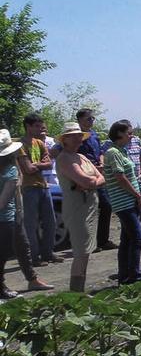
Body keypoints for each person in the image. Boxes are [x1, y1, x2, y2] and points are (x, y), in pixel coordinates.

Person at [0, 129, 54, 298]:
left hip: (14, 213)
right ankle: (2, 287)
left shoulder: (12, 168)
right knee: (4, 253)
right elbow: (4, 200)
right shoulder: (10, 170)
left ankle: (32, 279)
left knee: (23, 246)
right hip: (8, 216)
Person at [55, 122, 106, 293]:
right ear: (65, 139)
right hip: (77, 208)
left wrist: (90, 183)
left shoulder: (81, 157)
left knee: (87, 251)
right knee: (80, 251)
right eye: (74, 135)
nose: (78, 138)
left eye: (79, 135)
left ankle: (80, 291)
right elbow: (87, 180)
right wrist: (89, 182)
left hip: (90, 205)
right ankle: (75, 293)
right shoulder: (64, 158)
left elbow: (100, 178)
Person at [103, 120, 141, 285]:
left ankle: (124, 275)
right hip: (123, 202)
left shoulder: (122, 151)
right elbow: (120, 177)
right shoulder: (113, 152)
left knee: (127, 240)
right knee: (138, 238)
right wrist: (138, 195)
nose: (132, 136)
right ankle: (134, 275)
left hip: (129, 200)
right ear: (119, 134)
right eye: (129, 133)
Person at [17, 112, 61, 266]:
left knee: (50, 221)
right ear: (28, 126)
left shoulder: (39, 143)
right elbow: (28, 169)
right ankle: (34, 257)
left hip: (43, 185)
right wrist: (39, 165)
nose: (39, 129)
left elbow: (49, 163)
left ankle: (48, 253)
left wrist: (36, 165)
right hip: (28, 187)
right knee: (31, 224)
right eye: (36, 126)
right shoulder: (20, 145)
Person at [76, 109, 117, 252]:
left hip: (98, 173)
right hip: (85, 173)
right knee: (88, 210)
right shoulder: (76, 136)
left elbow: (99, 151)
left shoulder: (93, 134)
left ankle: (103, 240)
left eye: (93, 118)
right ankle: (89, 243)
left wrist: (101, 162)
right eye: (88, 119)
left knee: (106, 205)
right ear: (80, 120)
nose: (91, 121)